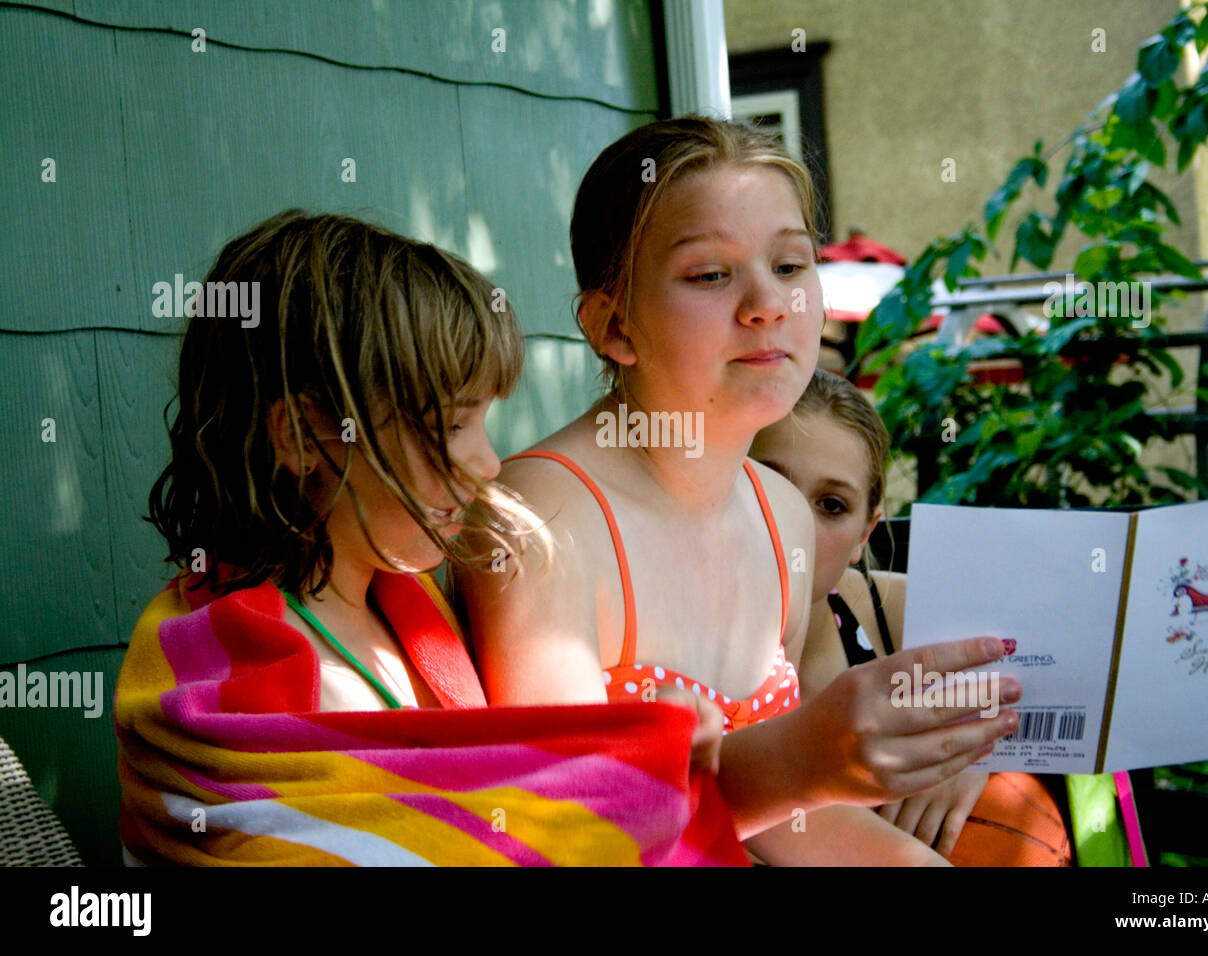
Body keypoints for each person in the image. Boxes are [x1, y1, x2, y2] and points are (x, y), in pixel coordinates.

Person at [456, 117, 1022, 864]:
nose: (768, 305)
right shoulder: (544, 524)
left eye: (791, 266)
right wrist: (798, 761)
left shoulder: (782, 516)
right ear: (613, 324)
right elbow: (576, 833)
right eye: (709, 275)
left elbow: (789, 821)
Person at [114, 210, 747, 866]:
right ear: (301, 436)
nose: (489, 462)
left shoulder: (408, 609)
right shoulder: (226, 670)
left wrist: (643, 759)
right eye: (449, 426)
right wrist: (634, 785)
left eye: (483, 422)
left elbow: (480, 817)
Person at [751, 369, 1072, 865]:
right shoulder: (666, 625)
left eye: (831, 505)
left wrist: (981, 746)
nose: (797, 525)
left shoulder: (896, 614)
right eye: (770, 484)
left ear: (864, 534)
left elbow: (1062, 673)